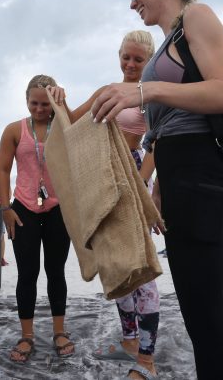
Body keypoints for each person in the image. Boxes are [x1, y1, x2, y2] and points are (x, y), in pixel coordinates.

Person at [90, 0, 223, 378]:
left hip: (200, 176)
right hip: (180, 180)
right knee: (204, 301)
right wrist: (158, 187)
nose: (131, 1)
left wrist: (144, 90)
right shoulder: (169, 42)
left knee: (201, 309)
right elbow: (172, 128)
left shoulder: (197, 17)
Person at [66, 30, 161, 379]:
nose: (131, 64)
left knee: (141, 267)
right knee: (115, 263)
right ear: (118, 55)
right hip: (102, 179)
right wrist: (57, 96)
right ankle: (129, 341)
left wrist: (143, 186)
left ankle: (147, 359)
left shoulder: (150, 97)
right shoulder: (106, 91)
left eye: (138, 59)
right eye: (126, 57)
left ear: (149, 61)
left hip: (133, 178)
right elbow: (71, 120)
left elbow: (157, 145)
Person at [0, 74, 75, 363]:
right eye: (34, 103)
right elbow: (3, 170)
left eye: (46, 104)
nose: (40, 109)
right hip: (23, 210)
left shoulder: (64, 124)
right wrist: (6, 208)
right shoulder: (14, 130)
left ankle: (59, 330)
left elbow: (82, 131)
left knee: (56, 271)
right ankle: (27, 335)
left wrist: (64, 105)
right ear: (26, 101)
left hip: (58, 208)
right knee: (27, 274)